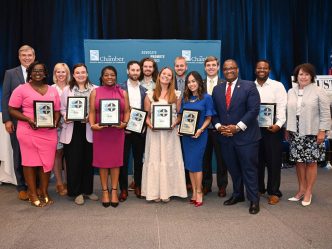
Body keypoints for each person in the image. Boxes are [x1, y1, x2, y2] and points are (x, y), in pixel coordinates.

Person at [212, 59, 261, 214]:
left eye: (232, 68)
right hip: (225, 138)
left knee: (249, 169)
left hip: (246, 138)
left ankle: (254, 200)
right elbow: (214, 112)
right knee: (233, 169)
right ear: (222, 71)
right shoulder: (217, 89)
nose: (229, 71)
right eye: (226, 69)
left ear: (237, 70)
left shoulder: (249, 86)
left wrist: (237, 127)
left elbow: (253, 110)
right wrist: (219, 127)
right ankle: (238, 194)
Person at [8, 61, 60, 207]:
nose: (38, 73)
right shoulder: (21, 89)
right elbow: (12, 109)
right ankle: (32, 192)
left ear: (45, 73)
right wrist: (28, 119)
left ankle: (43, 191)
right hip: (28, 131)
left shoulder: (52, 90)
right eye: (35, 71)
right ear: (30, 73)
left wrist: (55, 121)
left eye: (41, 71)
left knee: (47, 163)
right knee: (30, 162)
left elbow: (56, 110)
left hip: (49, 132)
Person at [286, 63, 330, 206]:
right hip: (295, 130)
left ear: (312, 76)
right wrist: (287, 128)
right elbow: (289, 112)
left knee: (311, 162)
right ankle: (301, 190)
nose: (303, 77)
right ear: (296, 76)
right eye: (300, 74)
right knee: (298, 162)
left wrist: (322, 130)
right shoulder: (291, 91)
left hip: (313, 131)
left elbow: (325, 113)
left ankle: (309, 191)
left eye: (306, 74)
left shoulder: (319, 91)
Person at [141, 67, 187, 202]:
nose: (166, 76)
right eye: (164, 74)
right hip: (154, 134)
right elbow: (146, 116)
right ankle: (154, 192)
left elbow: (179, 115)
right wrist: (150, 125)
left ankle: (169, 191)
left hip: (170, 133)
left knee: (169, 159)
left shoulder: (177, 94)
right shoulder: (150, 94)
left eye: (169, 75)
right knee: (155, 159)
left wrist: (174, 124)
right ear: (159, 75)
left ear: (172, 79)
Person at [89, 66, 130, 208]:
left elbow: (127, 110)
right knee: (102, 163)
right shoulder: (95, 92)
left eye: (112, 75)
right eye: (106, 75)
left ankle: (114, 191)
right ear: (102, 76)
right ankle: (105, 191)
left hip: (117, 132)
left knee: (115, 162)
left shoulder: (122, 92)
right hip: (101, 132)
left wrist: (124, 123)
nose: (109, 77)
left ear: (116, 76)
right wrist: (92, 125)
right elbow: (92, 111)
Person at [60, 63, 98, 205]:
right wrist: (66, 116)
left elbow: (98, 109)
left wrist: (91, 117)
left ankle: (88, 190)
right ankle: (75, 192)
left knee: (88, 161)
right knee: (74, 162)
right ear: (74, 75)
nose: (81, 75)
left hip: (89, 127)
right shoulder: (67, 90)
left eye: (83, 72)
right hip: (73, 128)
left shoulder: (95, 89)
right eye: (77, 73)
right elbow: (62, 108)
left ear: (87, 74)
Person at [1, 45, 35, 201]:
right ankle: (21, 186)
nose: (27, 57)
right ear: (19, 56)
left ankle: (35, 185)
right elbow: (5, 97)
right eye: (24, 55)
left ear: (34, 56)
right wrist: (7, 119)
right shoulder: (10, 73)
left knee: (35, 154)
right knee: (19, 154)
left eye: (29, 55)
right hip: (16, 122)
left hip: (36, 122)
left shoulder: (39, 71)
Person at [178, 71, 216, 207]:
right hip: (187, 137)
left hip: (199, 135)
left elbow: (209, 118)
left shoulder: (207, 98)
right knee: (189, 165)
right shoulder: (185, 98)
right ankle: (193, 191)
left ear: (199, 82)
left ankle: (199, 191)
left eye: (194, 81)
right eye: (189, 82)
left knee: (197, 165)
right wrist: (180, 129)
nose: (191, 84)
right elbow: (182, 117)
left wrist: (201, 129)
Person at [255, 59, 287, 205]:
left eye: (265, 68)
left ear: (269, 70)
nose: (262, 70)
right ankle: (259, 188)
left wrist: (279, 124)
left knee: (273, 161)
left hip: (273, 129)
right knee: (257, 161)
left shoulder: (277, 86)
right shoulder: (250, 86)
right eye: (259, 68)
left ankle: (274, 192)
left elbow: (282, 107)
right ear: (255, 70)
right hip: (254, 129)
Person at [119, 61, 147, 201]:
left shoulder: (144, 90)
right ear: (127, 71)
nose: (135, 72)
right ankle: (123, 189)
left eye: (137, 70)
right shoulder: (120, 88)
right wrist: (122, 124)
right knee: (123, 161)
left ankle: (138, 185)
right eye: (133, 70)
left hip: (139, 130)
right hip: (123, 130)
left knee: (138, 160)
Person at [202, 56, 228, 197]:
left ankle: (222, 186)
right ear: (205, 68)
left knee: (221, 159)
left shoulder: (225, 83)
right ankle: (206, 185)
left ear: (218, 67)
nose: (211, 67)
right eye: (208, 65)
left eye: (213, 65)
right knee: (205, 159)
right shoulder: (200, 84)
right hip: (204, 128)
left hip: (220, 128)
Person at [51, 63, 71, 196]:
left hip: (70, 126)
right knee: (58, 154)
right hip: (55, 127)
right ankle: (59, 182)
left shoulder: (72, 88)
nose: (61, 74)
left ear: (67, 74)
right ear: (55, 74)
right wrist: (55, 121)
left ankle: (69, 182)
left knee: (69, 155)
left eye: (63, 72)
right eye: (58, 72)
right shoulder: (50, 89)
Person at [174, 56, 191, 190]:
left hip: (188, 123)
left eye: (182, 65)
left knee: (187, 152)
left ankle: (188, 182)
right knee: (175, 153)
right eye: (177, 66)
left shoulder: (192, 82)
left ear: (186, 67)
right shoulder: (168, 81)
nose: (179, 68)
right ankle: (177, 182)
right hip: (172, 123)